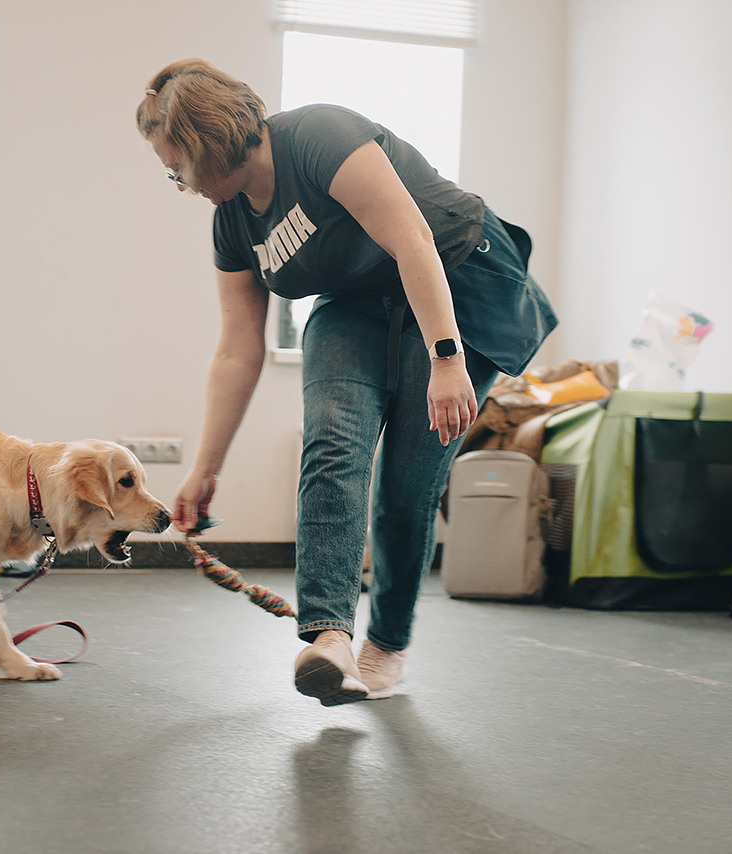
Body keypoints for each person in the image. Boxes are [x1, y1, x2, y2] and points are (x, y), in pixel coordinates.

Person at [136, 58, 556, 706]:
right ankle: (329, 636)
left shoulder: (319, 138)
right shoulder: (231, 223)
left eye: (175, 167)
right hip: (354, 300)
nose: (177, 183)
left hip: (451, 274)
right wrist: (206, 465)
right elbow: (238, 349)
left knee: (408, 482)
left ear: (205, 145)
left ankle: (386, 645)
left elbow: (412, 238)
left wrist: (447, 361)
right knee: (333, 440)